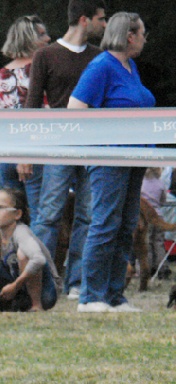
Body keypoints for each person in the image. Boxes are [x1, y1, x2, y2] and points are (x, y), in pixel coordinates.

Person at [69, 12, 155, 312]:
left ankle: (115, 296)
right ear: (130, 35)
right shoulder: (101, 66)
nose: (145, 39)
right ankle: (90, 296)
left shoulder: (130, 67)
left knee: (126, 226)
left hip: (135, 159)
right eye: (143, 33)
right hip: (108, 160)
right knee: (105, 224)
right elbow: (75, 109)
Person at [22, 0, 107, 300]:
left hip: (93, 148)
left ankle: (76, 282)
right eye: (101, 18)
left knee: (87, 215)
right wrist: (26, 153)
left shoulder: (100, 57)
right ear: (85, 20)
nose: (105, 24)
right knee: (49, 215)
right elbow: (32, 105)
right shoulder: (45, 55)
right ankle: (39, 284)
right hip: (58, 146)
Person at [0, 15, 50, 225]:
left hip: (7, 154)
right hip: (35, 152)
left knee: (10, 217)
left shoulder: (0, 76)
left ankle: (10, 255)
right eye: (42, 35)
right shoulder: (42, 71)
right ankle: (35, 256)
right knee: (39, 216)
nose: (48, 38)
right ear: (28, 39)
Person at [0, 188, 58, 312]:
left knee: (23, 255)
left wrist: (15, 286)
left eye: (1, 208)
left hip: (45, 293)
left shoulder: (21, 232)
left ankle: (36, 305)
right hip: (20, 288)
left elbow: (39, 260)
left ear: (17, 214)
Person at [140, 167, 171, 280]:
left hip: (144, 217)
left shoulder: (141, 182)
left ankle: (146, 269)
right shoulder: (160, 184)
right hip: (158, 216)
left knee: (146, 244)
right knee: (158, 243)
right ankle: (162, 269)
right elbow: (163, 200)